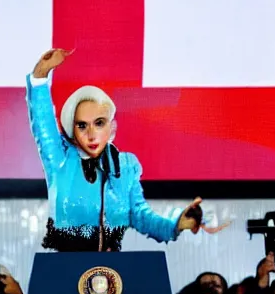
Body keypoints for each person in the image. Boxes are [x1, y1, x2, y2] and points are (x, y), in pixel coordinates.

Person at [26, 48, 227, 252]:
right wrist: (40, 76)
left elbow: (140, 215)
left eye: (99, 123)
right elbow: (43, 127)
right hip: (64, 269)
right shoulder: (61, 160)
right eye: (82, 125)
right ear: (72, 129)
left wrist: (176, 224)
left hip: (110, 274)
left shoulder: (126, 166)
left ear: (111, 127)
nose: (91, 134)